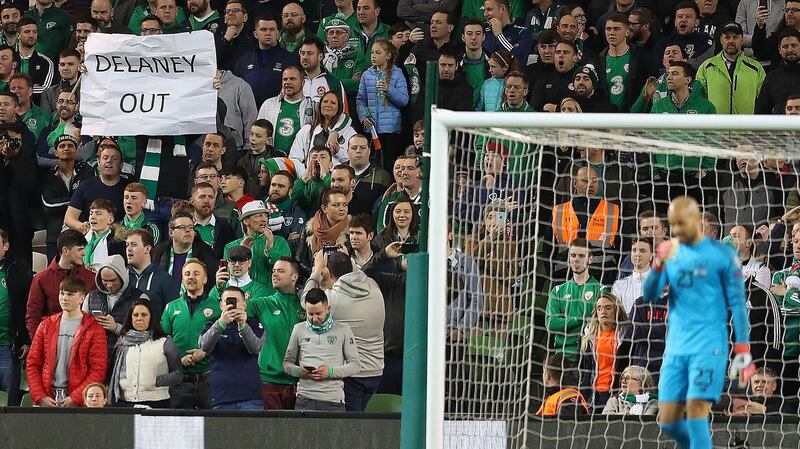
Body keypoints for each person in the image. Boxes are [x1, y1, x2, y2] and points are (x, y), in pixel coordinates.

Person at [643, 196, 753, 449]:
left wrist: (743, 348)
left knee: (695, 416)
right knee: (668, 421)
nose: (677, 229)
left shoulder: (723, 255)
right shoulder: (672, 253)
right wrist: (659, 264)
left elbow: (738, 303)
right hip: (676, 348)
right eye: (674, 224)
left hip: (709, 347)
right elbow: (650, 294)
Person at [304, 251, 384, 411]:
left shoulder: (333, 299)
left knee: (350, 427)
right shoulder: (374, 287)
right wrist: (344, 260)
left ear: (329, 272)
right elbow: (356, 274)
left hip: (350, 375)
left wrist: (316, 271)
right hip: (376, 370)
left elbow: (306, 300)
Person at [26, 277, 107, 408]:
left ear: (82, 298)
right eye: (62, 293)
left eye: (70, 294)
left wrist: (76, 397)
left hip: (78, 402)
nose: (64, 298)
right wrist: (40, 396)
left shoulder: (94, 329)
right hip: (47, 398)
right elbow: (32, 363)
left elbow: (98, 370)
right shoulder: (46, 325)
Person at [284, 287, 360, 411]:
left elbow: (356, 365)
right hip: (304, 399)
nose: (314, 319)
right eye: (310, 314)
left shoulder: (343, 329)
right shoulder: (298, 329)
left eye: (318, 313)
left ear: (328, 309)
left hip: (333, 401)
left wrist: (330, 372)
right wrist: (299, 372)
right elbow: (287, 364)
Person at [247, 256, 305, 410]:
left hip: (302, 382)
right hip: (269, 382)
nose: (274, 274)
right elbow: (235, 307)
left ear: (294, 277)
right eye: (273, 271)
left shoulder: (307, 306)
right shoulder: (262, 303)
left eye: (280, 271)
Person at [161, 258, 219, 409]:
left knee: (213, 427)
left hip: (209, 380)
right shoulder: (171, 308)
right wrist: (178, 359)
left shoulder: (217, 307)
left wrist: (204, 352)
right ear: (182, 279)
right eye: (187, 274)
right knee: (180, 429)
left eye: (196, 273)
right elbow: (163, 342)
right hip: (179, 382)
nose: (191, 277)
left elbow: (223, 338)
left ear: (205, 279)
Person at [83, 254, 150, 378]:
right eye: (105, 281)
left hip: (126, 364)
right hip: (94, 363)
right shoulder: (91, 297)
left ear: (123, 276)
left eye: (113, 280)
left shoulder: (140, 298)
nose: (108, 285)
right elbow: (80, 329)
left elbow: (146, 335)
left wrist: (117, 328)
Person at [200, 286, 266, 409]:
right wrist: (221, 324)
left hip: (250, 396)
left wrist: (243, 326)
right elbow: (204, 347)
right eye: (228, 302)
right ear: (221, 305)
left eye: (236, 301)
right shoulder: (211, 325)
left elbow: (256, 349)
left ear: (244, 305)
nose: (232, 305)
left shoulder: (255, 325)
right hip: (220, 396)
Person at [109, 298, 182, 407]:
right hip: (125, 403)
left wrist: (155, 381)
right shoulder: (122, 343)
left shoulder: (165, 342)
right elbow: (113, 371)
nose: (139, 318)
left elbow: (178, 374)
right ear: (130, 318)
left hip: (157, 403)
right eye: (135, 315)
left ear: (151, 318)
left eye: (144, 315)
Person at [26, 230, 97, 339]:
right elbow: (33, 315)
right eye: (80, 249)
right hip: (50, 342)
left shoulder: (91, 278)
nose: (84, 253)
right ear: (66, 251)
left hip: (83, 343)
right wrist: (40, 343)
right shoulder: (42, 278)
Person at [546, 239, 607, 362]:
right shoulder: (558, 291)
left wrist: (565, 321)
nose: (576, 259)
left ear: (590, 259)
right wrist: (580, 319)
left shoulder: (601, 290)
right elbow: (551, 324)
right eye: (573, 255)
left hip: (588, 356)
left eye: (581, 256)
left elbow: (599, 324)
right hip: (562, 355)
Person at [357, 39, 409, 173]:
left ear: (388, 55)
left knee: (389, 166)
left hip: (391, 131)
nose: (373, 56)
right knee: (373, 166)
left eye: (378, 52)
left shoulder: (397, 74)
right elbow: (361, 100)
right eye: (372, 53)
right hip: (372, 129)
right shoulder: (366, 75)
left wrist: (389, 89)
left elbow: (404, 100)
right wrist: (363, 117)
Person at [696, 21, 766, 114]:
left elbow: (763, 101)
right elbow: (698, 99)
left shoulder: (756, 68)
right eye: (727, 37)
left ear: (742, 40)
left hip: (745, 126)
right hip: (715, 126)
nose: (731, 41)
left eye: (736, 37)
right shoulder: (706, 67)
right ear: (721, 40)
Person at [64, 137, 131, 232]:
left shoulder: (129, 188)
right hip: (91, 235)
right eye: (105, 158)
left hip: (119, 237)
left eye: (114, 158)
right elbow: (69, 218)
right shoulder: (86, 186)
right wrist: (82, 226)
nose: (109, 161)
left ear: (121, 165)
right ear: (99, 163)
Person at [577, 292, 629, 410]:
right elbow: (580, 367)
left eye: (608, 307)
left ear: (616, 310)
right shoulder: (587, 335)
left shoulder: (625, 335)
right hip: (591, 394)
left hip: (616, 393)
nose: (603, 311)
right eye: (599, 308)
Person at [596, 13, 658, 112]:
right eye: (608, 29)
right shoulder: (599, 60)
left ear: (627, 31)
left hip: (635, 120)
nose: (611, 33)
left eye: (616, 29)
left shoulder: (642, 57)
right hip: (607, 119)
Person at [234, 16, 301, 107]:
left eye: (272, 30)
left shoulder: (291, 59)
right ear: (255, 34)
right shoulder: (243, 61)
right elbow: (236, 89)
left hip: (279, 112)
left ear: (277, 33)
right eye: (263, 29)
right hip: (248, 114)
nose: (268, 33)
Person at [223, 200, 292, 288]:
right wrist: (240, 253)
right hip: (242, 296)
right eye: (258, 216)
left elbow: (286, 272)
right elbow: (228, 278)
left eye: (266, 215)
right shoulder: (230, 247)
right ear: (246, 221)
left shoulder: (279, 242)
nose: (264, 219)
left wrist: (271, 248)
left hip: (270, 298)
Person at [151, 208, 218, 294]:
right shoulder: (159, 252)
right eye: (182, 227)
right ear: (171, 233)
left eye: (191, 227)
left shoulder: (206, 253)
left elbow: (211, 285)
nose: (188, 230)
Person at [0, 228, 32, 406]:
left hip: (8, 347)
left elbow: (29, 306)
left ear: (6, 246)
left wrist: (26, 340)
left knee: (9, 404)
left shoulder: (18, 269)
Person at [290, 90, 355, 177]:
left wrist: (338, 152)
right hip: (310, 180)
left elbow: (354, 160)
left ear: (339, 108)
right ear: (320, 105)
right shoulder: (307, 130)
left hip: (336, 182)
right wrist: (305, 175)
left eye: (333, 103)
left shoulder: (349, 132)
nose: (328, 105)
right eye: (325, 101)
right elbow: (294, 157)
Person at [257, 66, 316, 156]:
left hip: (299, 163)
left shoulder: (312, 106)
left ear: (303, 83)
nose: (288, 82)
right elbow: (258, 132)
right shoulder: (268, 104)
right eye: (285, 79)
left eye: (292, 79)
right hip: (271, 161)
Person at [126, 229, 179, 317]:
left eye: (134, 245)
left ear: (147, 249)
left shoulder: (165, 279)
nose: (128, 249)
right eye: (127, 245)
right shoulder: (122, 277)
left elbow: (173, 314)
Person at [755, 28, 800, 114]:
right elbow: (761, 113)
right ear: (779, 49)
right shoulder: (772, 77)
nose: (790, 50)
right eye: (785, 46)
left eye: (794, 45)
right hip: (779, 127)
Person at [347, 133, 391, 215]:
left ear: (369, 151)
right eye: (354, 148)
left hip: (369, 226)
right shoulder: (338, 173)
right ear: (347, 151)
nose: (358, 151)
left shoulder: (382, 176)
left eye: (363, 148)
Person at [15, 17, 56, 104]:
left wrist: (17, 91)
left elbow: (45, 89)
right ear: (18, 35)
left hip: (36, 108)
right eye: (27, 32)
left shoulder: (46, 62)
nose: (32, 35)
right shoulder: (9, 59)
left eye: (35, 32)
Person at [190, 182, 236, 259]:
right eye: (202, 197)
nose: (207, 201)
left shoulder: (225, 226)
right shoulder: (183, 226)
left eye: (211, 197)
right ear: (192, 201)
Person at [482, 0, 532, 65]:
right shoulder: (483, 33)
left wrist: (499, 35)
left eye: (489, 9)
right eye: (484, 10)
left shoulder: (522, 32)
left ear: (502, 9)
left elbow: (518, 60)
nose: (485, 14)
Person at [612, 238, 652, 314]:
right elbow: (616, 314)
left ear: (651, 256)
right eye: (634, 250)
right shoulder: (619, 285)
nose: (637, 254)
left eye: (642, 251)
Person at [82, 199, 127, 266]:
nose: (92, 217)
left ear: (110, 220)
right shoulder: (81, 240)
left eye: (98, 213)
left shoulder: (118, 243)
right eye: (91, 213)